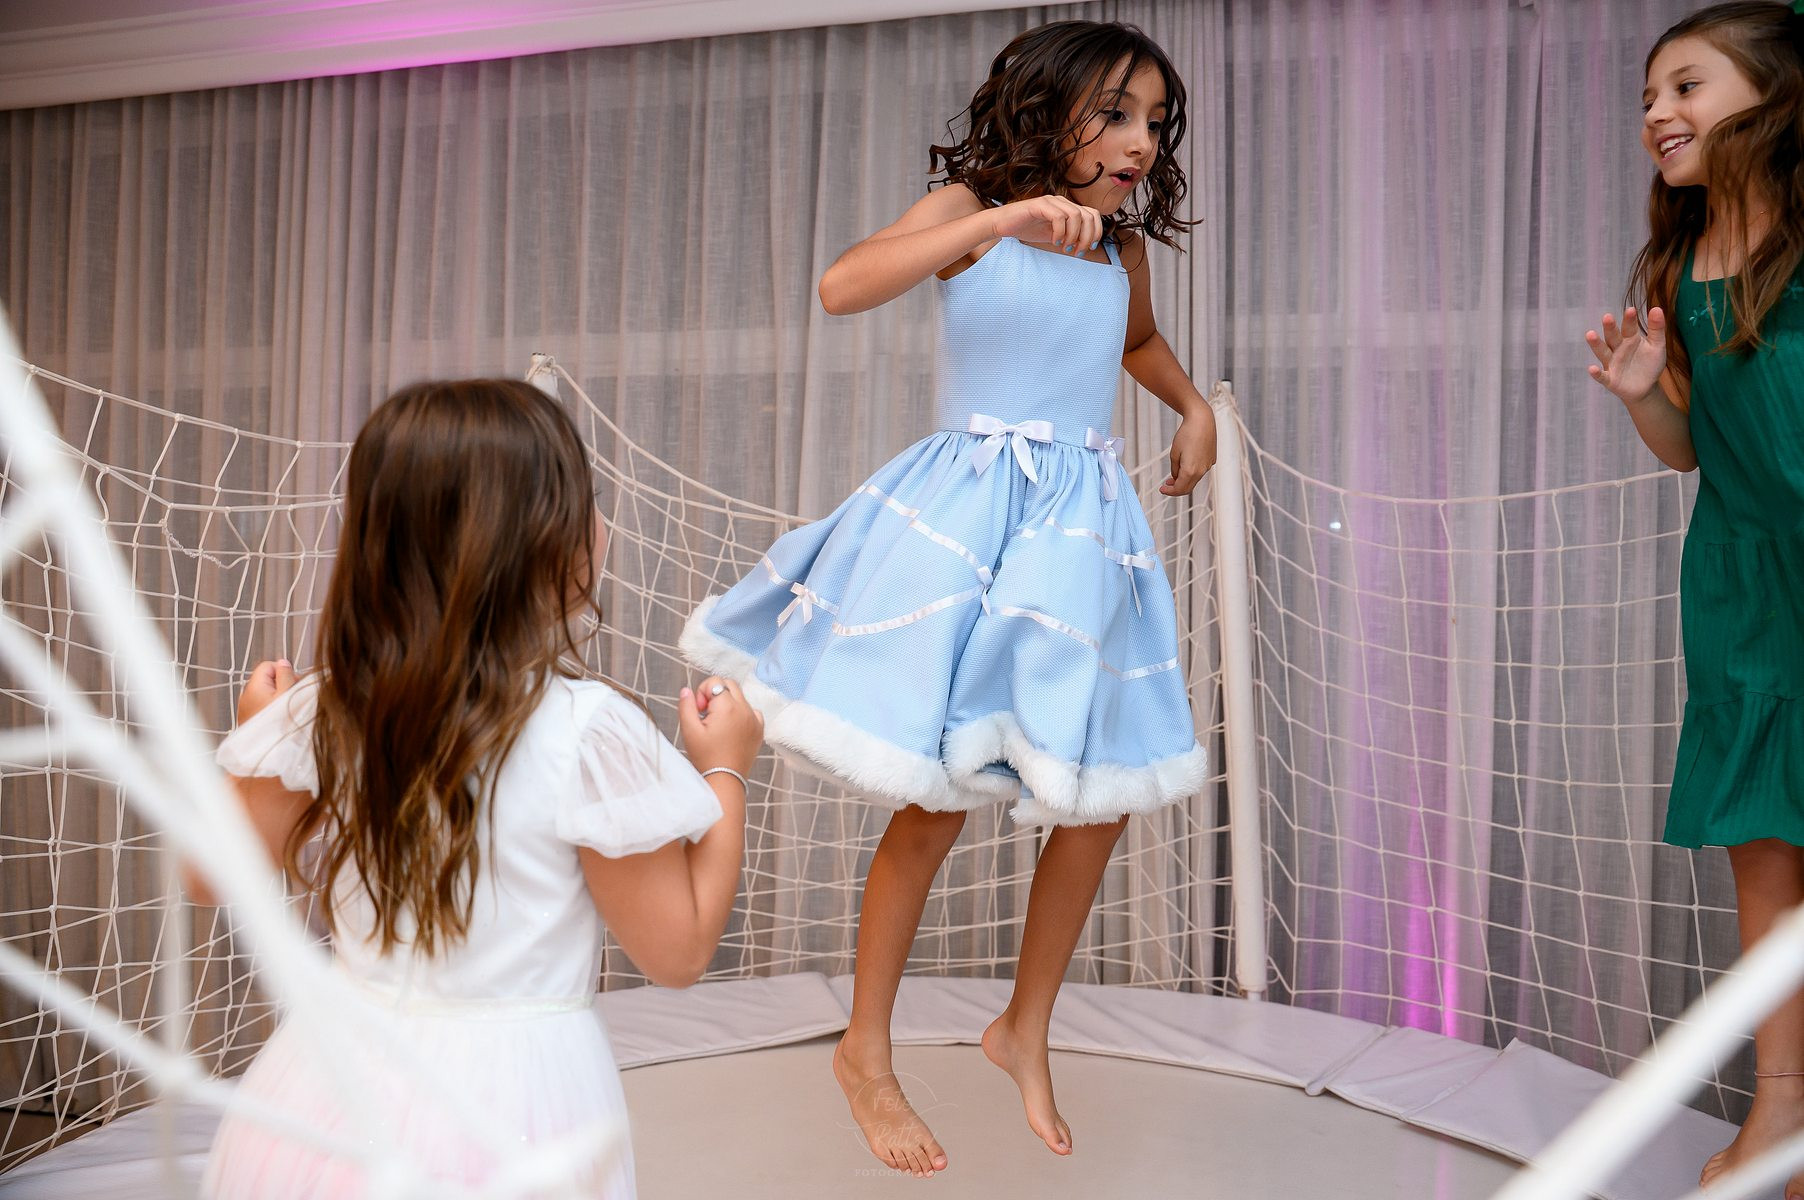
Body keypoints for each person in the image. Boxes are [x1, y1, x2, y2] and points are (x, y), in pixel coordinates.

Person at [681, 20, 1215, 1178]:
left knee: (1102, 789)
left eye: (1153, 122)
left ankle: (1023, 1024)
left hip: (1077, 535)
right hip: (970, 519)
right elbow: (842, 286)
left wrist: (1190, 405)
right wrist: (995, 222)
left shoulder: (1119, 254)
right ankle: (864, 1052)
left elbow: (1135, 341)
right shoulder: (969, 208)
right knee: (937, 797)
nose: (1138, 142)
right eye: (1115, 113)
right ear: (1047, 110)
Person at [190, 378, 763, 1198]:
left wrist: (260, 737)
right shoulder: (587, 732)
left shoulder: (318, 712)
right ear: (546, 543)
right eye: (587, 502)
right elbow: (680, 951)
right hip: (517, 1113)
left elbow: (208, 877)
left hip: (329, 1091)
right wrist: (725, 767)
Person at [1584, 3, 1804, 1192]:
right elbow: (1690, 450)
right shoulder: (1681, 259)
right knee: (1764, 857)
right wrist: (1640, 393)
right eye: (1645, 99)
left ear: (1773, 94)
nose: (1656, 113)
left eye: (1685, 86)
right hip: (1745, 586)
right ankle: (1781, 1117)